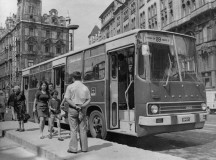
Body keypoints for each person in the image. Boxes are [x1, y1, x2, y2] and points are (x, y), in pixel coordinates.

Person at [65, 71, 91, 153]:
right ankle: (84, 148)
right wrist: (82, 106)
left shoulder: (70, 87)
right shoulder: (85, 87)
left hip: (73, 108)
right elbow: (89, 99)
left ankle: (73, 149)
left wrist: (75, 106)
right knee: (83, 129)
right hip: (82, 109)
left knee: (73, 129)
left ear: (73, 78)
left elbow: (67, 99)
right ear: (81, 78)